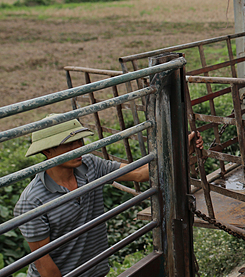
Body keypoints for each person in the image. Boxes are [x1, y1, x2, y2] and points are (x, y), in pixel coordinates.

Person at [14, 116, 202, 277]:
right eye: (69, 144)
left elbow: (138, 173)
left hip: (95, 271)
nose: (79, 147)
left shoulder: (90, 165)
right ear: (48, 152)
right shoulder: (32, 201)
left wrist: (182, 150)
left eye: (80, 141)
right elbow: (43, 263)